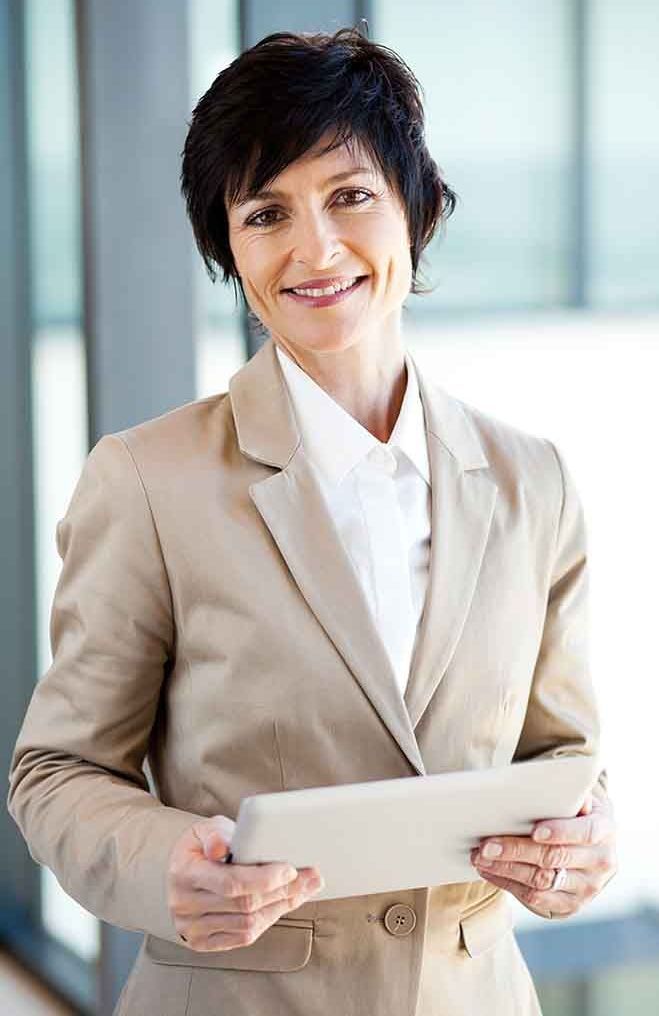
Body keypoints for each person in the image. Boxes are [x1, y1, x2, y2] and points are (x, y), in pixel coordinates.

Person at [7, 24, 616, 1016]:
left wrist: (580, 843)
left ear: (414, 210)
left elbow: (561, 756)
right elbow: (57, 771)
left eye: (348, 195)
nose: (315, 247)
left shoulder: (529, 481)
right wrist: (169, 863)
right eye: (265, 213)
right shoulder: (146, 481)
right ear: (229, 250)